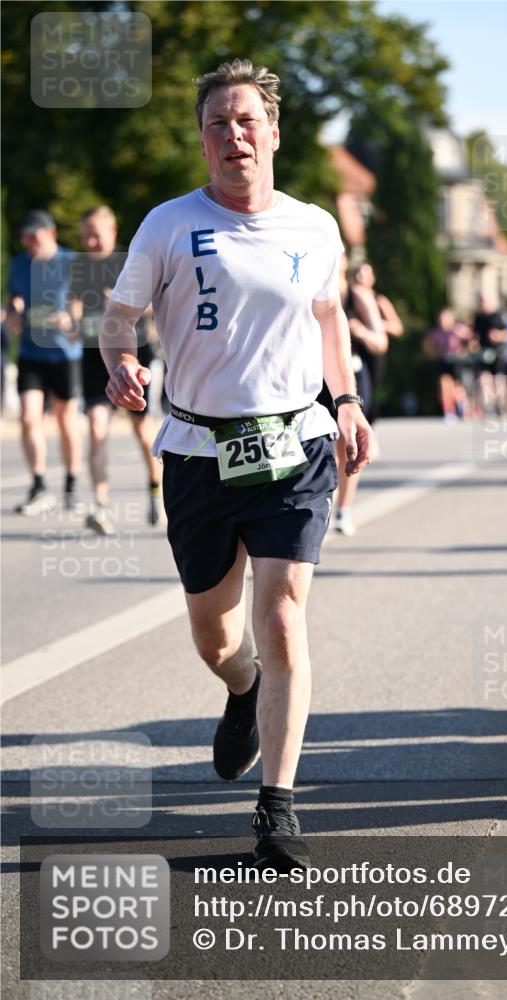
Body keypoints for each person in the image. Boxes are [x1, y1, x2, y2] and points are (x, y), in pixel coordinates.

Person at [99, 58, 372, 868]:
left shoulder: (313, 226)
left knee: (282, 613)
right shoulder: (168, 224)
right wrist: (120, 362)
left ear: (274, 132)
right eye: (217, 123)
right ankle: (241, 689)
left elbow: (329, 322)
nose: (233, 135)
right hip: (197, 451)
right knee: (217, 637)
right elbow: (117, 319)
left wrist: (348, 400)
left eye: (246, 120)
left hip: (295, 445)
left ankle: (277, 808)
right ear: (203, 139)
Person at [70, 205, 163, 535]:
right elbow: (74, 304)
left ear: (112, 230)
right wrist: (71, 320)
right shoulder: (80, 267)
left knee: (141, 430)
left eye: (96, 234)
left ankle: (155, 490)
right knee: (96, 428)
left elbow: (157, 303)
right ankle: (100, 505)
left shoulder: (131, 260)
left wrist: (124, 305)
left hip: (132, 355)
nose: (91, 241)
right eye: (85, 236)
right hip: (94, 355)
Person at [8, 210, 82, 515]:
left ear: (50, 232)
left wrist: (69, 318)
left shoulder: (71, 262)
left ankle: (71, 485)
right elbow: (14, 303)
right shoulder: (19, 263)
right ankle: (38, 485)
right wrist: (14, 313)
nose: (29, 242)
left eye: (34, 236)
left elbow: (82, 305)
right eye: (25, 237)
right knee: (28, 417)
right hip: (30, 353)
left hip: (65, 354)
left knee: (66, 421)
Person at [328, 253, 387, 536]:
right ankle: (321, 504)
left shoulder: (358, 297)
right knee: (319, 445)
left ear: (344, 260)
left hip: (352, 377)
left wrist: (361, 332)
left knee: (347, 444)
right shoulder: (308, 288)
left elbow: (381, 341)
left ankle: (343, 510)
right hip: (317, 377)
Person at [348, 261, 403, 424]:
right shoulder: (351, 296)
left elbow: (397, 327)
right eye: (358, 273)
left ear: (373, 278)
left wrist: (375, 325)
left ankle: (368, 421)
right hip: (358, 351)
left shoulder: (379, 300)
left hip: (373, 351)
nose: (361, 277)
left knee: (370, 388)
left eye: (365, 274)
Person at [423, 308, 471, 421]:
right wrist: (433, 354)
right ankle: (449, 411)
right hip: (443, 361)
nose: (443, 321)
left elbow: (471, 339)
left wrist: (464, 350)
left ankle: (462, 405)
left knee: (457, 387)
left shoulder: (459, 330)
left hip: (456, 361)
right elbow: (427, 344)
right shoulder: (436, 332)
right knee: (444, 385)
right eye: (441, 319)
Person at [472, 293, 507, 416]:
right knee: (484, 379)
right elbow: (475, 335)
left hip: (496, 352)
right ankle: (489, 407)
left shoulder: (497, 316)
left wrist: (497, 336)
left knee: (498, 380)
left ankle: (502, 407)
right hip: (483, 353)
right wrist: (473, 343)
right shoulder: (478, 318)